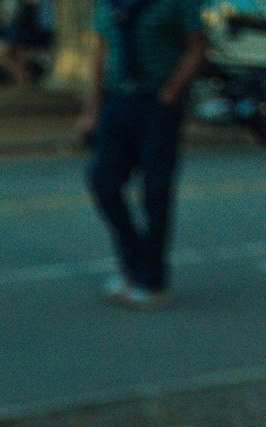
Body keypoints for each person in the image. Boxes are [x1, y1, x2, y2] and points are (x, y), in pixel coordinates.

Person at [79, 0, 207, 310]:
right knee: (103, 181)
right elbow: (101, 52)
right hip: (116, 104)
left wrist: (171, 92)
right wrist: (92, 108)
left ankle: (152, 280)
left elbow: (197, 48)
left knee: (155, 192)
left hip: (157, 106)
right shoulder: (108, 4)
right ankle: (132, 264)